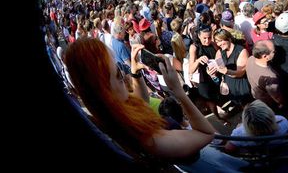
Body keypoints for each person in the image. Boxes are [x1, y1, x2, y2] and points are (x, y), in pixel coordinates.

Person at [63, 37, 215, 159]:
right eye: (118, 74)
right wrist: (178, 91)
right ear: (105, 90)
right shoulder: (150, 141)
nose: (123, 76)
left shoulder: (109, 115)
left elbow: (141, 101)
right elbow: (206, 134)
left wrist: (136, 72)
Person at [224, 100, 288, 153]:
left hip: (258, 155)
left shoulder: (239, 134)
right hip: (279, 150)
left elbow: (228, 149)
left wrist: (239, 127)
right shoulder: (282, 121)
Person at [245, 39, 285, 110]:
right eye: (273, 52)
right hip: (268, 103)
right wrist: (281, 103)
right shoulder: (270, 77)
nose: (275, 53)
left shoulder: (250, 59)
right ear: (265, 56)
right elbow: (276, 97)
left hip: (256, 97)